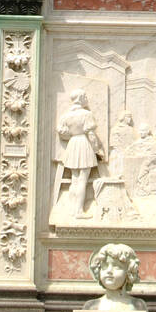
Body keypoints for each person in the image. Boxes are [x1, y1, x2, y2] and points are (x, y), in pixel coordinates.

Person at [53, 90, 105, 218]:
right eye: (85, 96)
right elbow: (91, 135)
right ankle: (79, 211)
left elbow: (63, 133)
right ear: (81, 98)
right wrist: (97, 149)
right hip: (83, 143)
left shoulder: (66, 116)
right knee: (82, 179)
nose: (87, 98)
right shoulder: (86, 114)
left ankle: (72, 210)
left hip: (73, 144)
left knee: (74, 180)